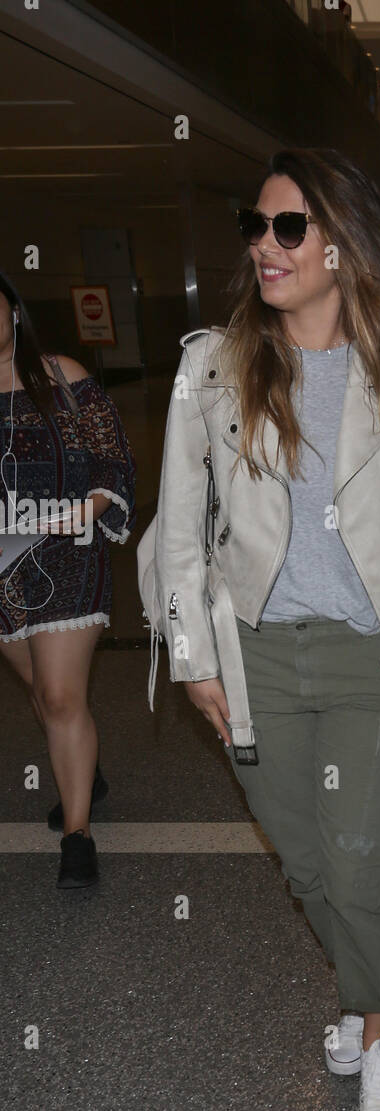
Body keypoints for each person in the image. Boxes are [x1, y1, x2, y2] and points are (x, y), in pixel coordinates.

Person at [151, 148, 380, 1111]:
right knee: (303, 860)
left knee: (354, 858)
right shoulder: (211, 366)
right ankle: (363, 988)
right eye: (255, 226)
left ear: (339, 247)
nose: (264, 246)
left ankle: (379, 1028)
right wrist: (193, 657)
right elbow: (178, 527)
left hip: (374, 657)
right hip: (252, 658)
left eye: (287, 228)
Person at [0, 272, 136, 888]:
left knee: (58, 695)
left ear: (13, 315)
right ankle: (86, 768)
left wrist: (92, 507)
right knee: (43, 691)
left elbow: (112, 454)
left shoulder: (60, 376)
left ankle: (77, 836)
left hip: (66, 550)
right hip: (2, 564)